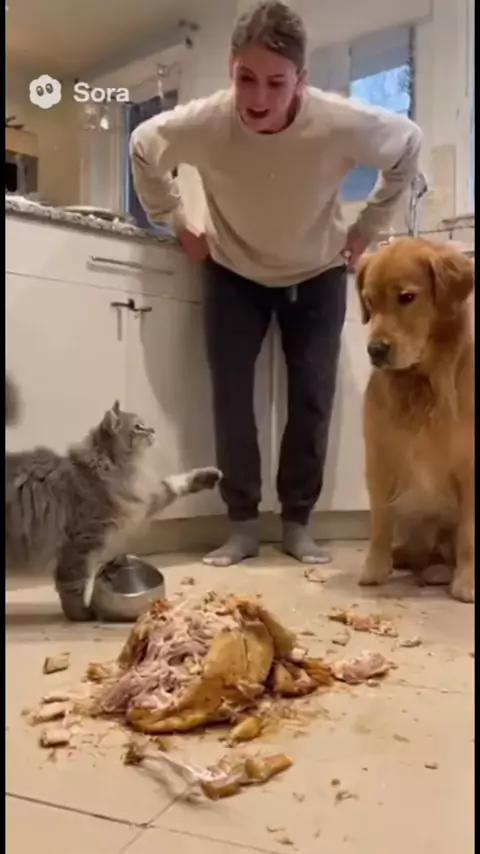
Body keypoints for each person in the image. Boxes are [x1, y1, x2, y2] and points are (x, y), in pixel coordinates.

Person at [130, 0, 422, 568]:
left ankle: (296, 524)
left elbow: (408, 144)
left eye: (276, 82)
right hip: (232, 273)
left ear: (301, 80)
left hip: (317, 273)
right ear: (230, 68)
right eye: (246, 79)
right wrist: (176, 221)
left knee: (312, 400)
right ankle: (241, 526)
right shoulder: (206, 122)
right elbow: (143, 145)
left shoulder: (337, 121)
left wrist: (366, 228)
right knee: (232, 400)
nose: (258, 98)